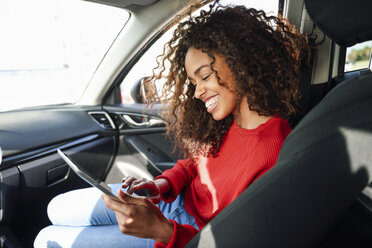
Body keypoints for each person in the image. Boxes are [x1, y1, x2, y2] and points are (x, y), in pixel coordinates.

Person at [34, 1, 310, 247]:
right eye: (193, 82)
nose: (197, 92)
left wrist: (162, 231)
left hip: (183, 235)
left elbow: (234, 240)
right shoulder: (230, 120)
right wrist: (161, 185)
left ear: (243, 63)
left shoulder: (275, 151)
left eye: (204, 76)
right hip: (173, 203)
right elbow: (197, 164)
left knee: (46, 239)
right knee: (56, 208)